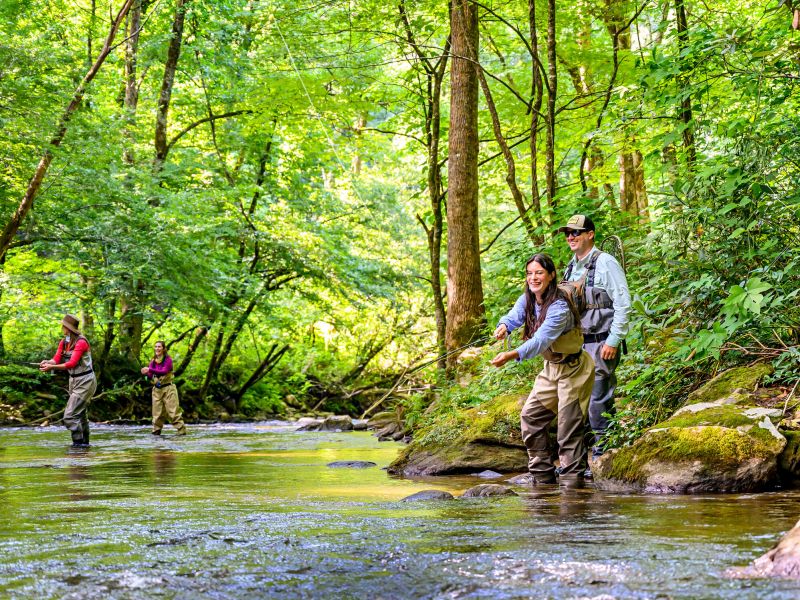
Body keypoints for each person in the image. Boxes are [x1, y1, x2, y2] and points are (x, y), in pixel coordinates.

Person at [491, 254, 595, 485]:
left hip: (575, 370)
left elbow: (540, 340)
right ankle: (542, 478)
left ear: (551, 275)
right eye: (529, 273)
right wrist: (504, 326)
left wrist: (511, 355)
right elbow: (514, 317)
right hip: (551, 369)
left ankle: (572, 486)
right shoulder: (527, 299)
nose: (533, 277)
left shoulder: (559, 307)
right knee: (531, 417)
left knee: (568, 428)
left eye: (539, 273)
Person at [559, 214, 631, 458]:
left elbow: (623, 303)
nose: (571, 237)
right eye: (568, 233)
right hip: (577, 347)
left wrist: (613, 340)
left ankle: (605, 453)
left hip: (602, 344)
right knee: (577, 401)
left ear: (590, 234)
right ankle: (580, 456)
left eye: (576, 232)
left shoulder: (606, 262)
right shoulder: (571, 266)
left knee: (598, 400)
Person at [39, 314, 97, 448]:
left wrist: (52, 367)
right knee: (80, 415)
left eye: (63, 326)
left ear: (68, 328)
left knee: (70, 416)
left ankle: (77, 445)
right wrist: (48, 362)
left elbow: (71, 363)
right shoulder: (64, 341)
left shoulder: (81, 342)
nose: (62, 328)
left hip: (86, 381)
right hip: (74, 381)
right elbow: (56, 359)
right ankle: (85, 447)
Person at [141, 340, 187, 436]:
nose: (157, 348)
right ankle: (156, 432)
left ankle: (181, 431)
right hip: (157, 390)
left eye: (159, 347)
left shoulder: (168, 360)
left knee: (173, 411)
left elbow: (164, 371)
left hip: (169, 388)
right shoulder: (153, 361)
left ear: (163, 348)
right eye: (156, 347)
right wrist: (146, 373)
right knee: (157, 414)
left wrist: (149, 369)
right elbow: (150, 375)